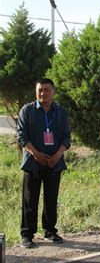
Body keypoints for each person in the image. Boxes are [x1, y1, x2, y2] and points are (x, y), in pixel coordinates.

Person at [17, 78, 71, 248]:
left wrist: (57, 155)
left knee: (51, 199)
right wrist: (36, 154)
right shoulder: (28, 110)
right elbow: (22, 136)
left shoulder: (61, 112)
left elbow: (67, 137)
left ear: (53, 91)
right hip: (33, 163)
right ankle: (27, 234)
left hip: (54, 163)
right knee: (29, 200)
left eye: (46, 90)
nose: (42, 93)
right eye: (39, 90)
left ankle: (50, 231)